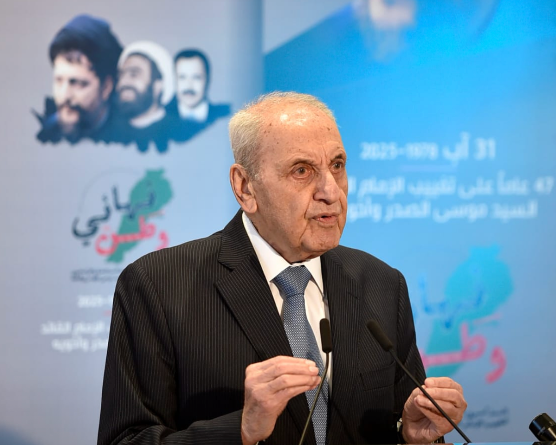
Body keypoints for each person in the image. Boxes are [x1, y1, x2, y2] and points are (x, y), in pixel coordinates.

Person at [98, 92, 467, 445]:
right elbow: (127, 440)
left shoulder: (382, 284)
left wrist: (411, 435)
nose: (331, 192)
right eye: (302, 170)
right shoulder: (158, 286)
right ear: (245, 188)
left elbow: (402, 421)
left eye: (337, 166)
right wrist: (241, 430)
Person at [35, 14, 123, 144]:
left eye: (77, 84)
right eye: (58, 81)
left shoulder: (128, 138)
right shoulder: (46, 132)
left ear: (106, 87)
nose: (64, 96)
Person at [165, 49, 231, 143]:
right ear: (174, 80)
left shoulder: (227, 116)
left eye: (196, 77)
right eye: (182, 77)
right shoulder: (160, 118)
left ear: (208, 79)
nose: (189, 86)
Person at [116, 41, 174, 130]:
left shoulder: (181, 131)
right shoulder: (110, 132)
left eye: (134, 74)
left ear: (158, 85)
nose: (122, 82)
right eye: (120, 75)